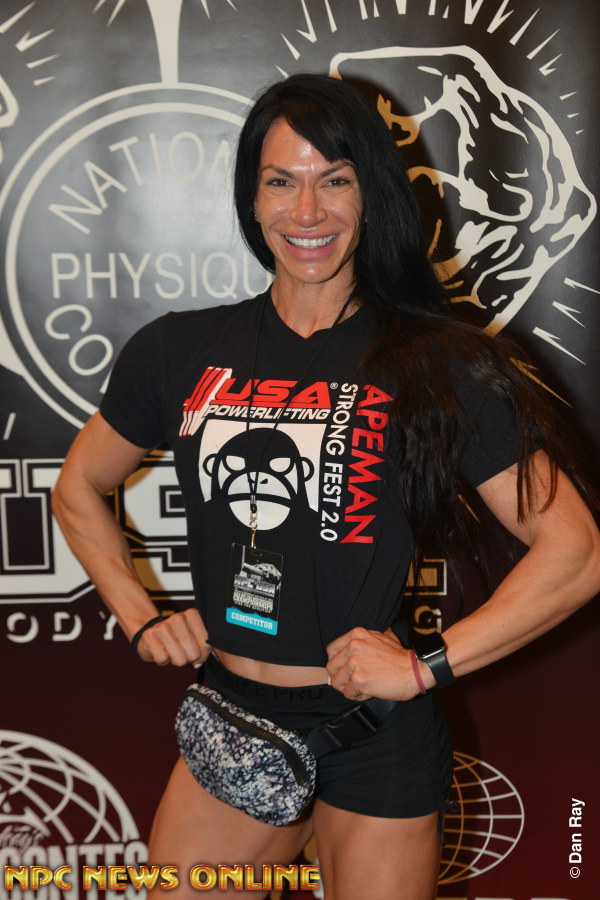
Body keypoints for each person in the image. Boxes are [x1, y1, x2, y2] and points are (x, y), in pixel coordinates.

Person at [51, 73, 600, 900]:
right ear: (252, 199)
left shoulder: (440, 361)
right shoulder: (178, 350)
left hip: (376, 731)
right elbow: (77, 488)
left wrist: (425, 669)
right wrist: (141, 618)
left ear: (370, 196)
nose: (307, 211)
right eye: (282, 181)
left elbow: (576, 552)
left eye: (334, 180)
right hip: (237, 721)